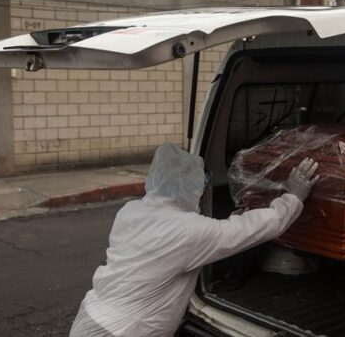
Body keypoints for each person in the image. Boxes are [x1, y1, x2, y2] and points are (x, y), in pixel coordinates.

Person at [69, 142, 319, 336]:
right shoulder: (190, 230)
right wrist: (293, 197)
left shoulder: (131, 211)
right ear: (193, 188)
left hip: (89, 317)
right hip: (123, 332)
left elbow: (173, 242)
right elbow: (257, 228)